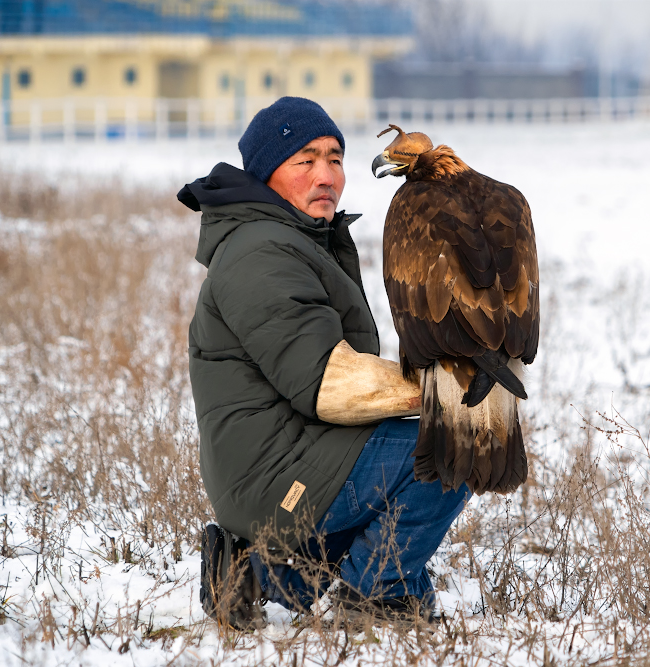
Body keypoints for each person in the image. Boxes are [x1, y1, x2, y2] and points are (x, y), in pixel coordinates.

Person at [177, 97, 470, 627]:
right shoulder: (260, 252)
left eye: (335, 158)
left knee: (425, 445)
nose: (326, 175)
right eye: (305, 160)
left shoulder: (295, 240)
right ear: (267, 174)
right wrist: (447, 386)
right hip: (275, 473)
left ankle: (255, 570)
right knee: (456, 443)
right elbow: (328, 383)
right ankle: (376, 596)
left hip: (291, 460)